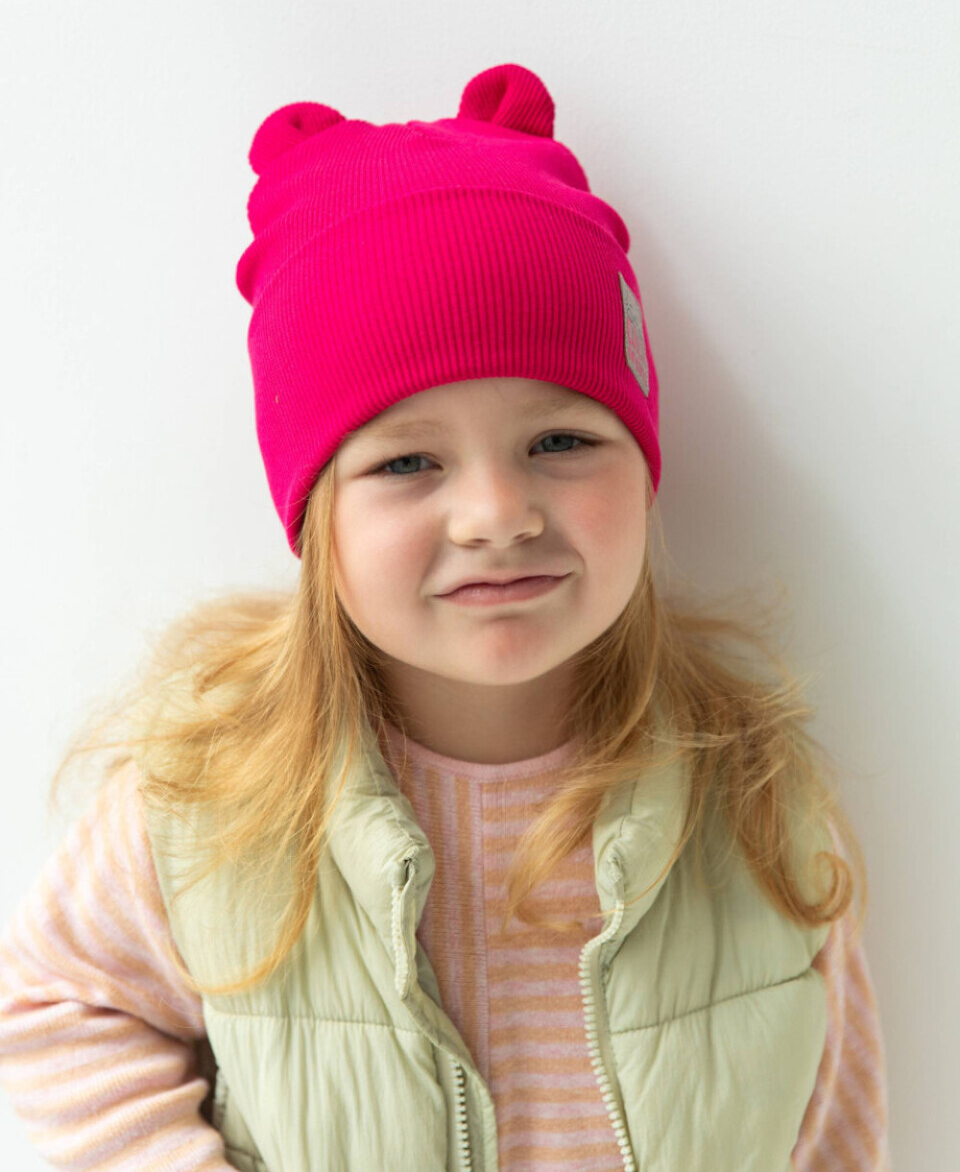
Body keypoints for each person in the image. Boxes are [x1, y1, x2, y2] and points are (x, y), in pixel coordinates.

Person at [0, 63, 890, 1171]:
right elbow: (58, 1004)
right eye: (408, 462)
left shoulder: (753, 790)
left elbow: (834, 1114)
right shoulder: (208, 803)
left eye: (560, 441)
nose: (496, 514)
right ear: (315, 513)